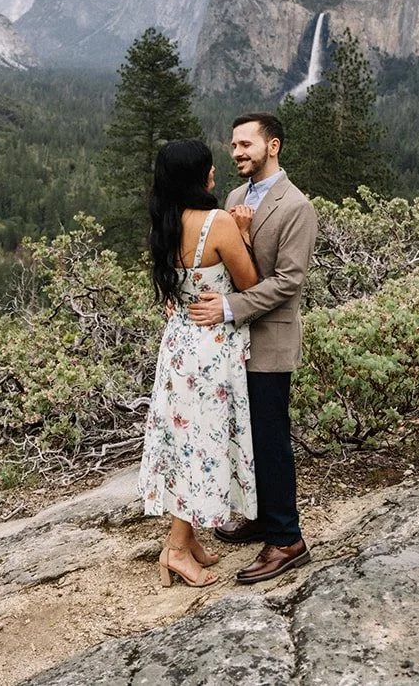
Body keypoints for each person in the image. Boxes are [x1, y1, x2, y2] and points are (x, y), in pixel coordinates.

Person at [187, 111, 317, 585]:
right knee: (247, 435)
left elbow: (288, 283)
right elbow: (230, 257)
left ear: (273, 146)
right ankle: (262, 516)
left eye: (246, 145)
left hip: (270, 340)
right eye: (234, 145)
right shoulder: (237, 197)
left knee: (270, 438)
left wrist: (227, 307)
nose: (237, 152)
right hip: (235, 344)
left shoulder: (296, 206)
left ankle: (287, 540)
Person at [136, 138, 260, 588]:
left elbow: (175, 292)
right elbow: (250, 285)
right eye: (209, 169)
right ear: (198, 177)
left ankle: (187, 544)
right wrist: (244, 238)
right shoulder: (219, 223)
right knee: (202, 446)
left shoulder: (162, 224)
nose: (215, 174)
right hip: (211, 350)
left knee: (181, 440)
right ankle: (174, 548)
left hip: (178, 347)